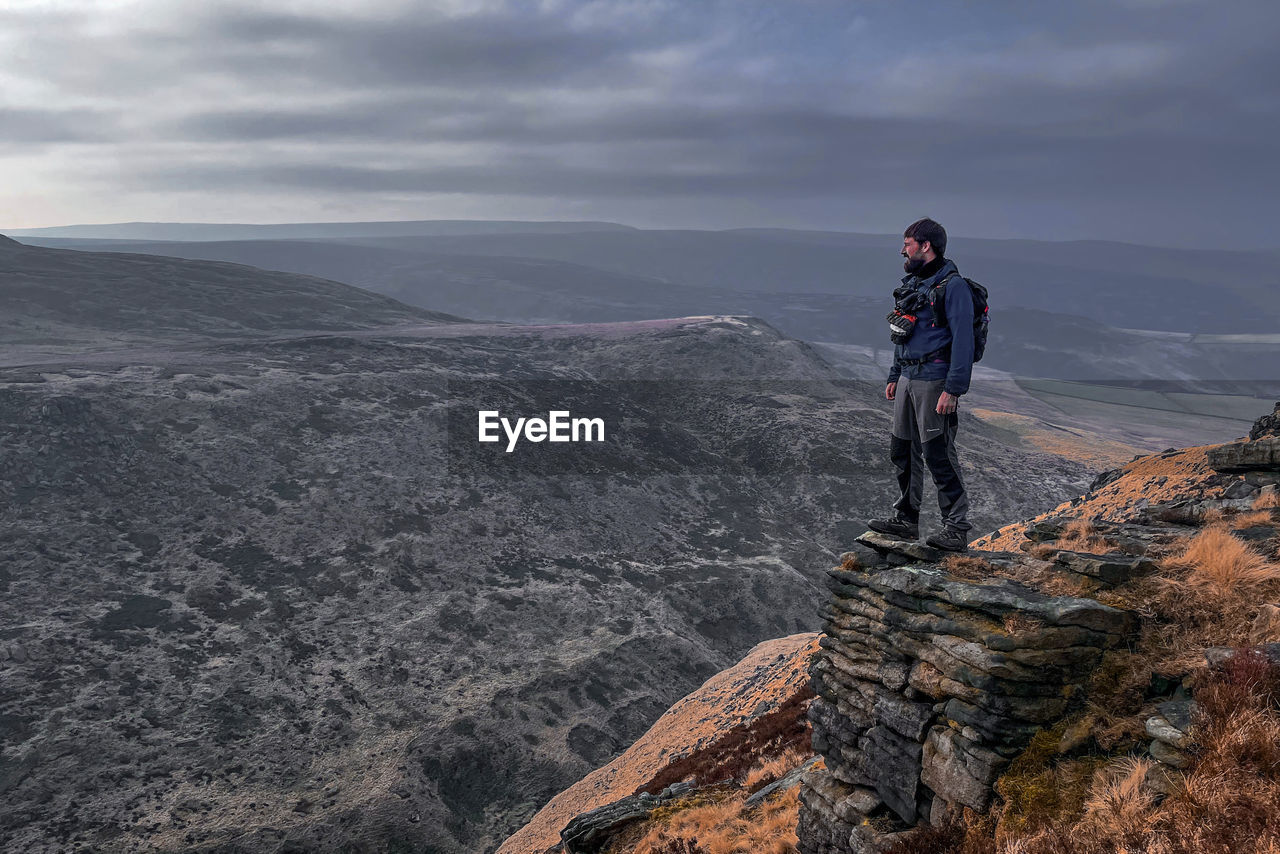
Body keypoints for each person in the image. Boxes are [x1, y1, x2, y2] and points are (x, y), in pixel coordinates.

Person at [867, 218, 974, 552]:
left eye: (908, 243)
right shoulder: (914, 284)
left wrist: (953, 389)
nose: (903, 250)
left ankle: (955, 529)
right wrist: (894, 374)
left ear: (926, 246)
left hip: (934, 381)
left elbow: (964, 341)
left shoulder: (953, 287)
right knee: (902, 451)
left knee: (938, 454)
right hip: (908, 379)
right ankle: (906, 521)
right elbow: (904, 333)